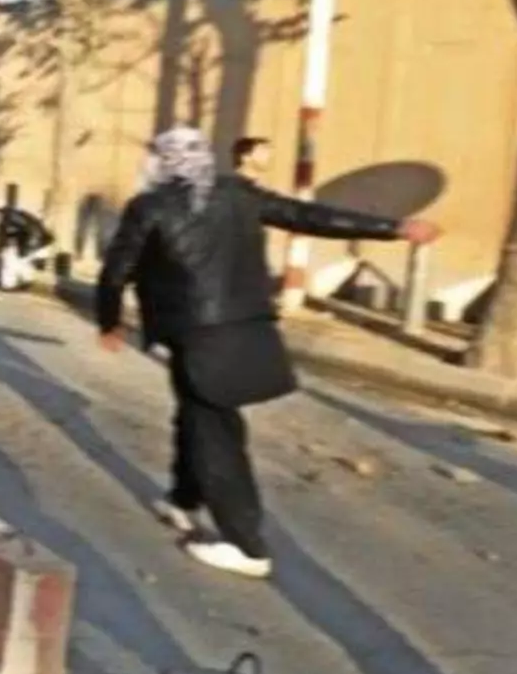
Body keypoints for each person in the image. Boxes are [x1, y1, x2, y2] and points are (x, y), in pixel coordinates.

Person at [96, 127, 441, 579]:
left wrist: (109, 321)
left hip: (198, 333)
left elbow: (116, 270)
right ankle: (184, 499)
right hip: (245, 324)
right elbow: (308, 216)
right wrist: (392, 228)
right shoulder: (239, 195)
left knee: (215, 434)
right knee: (199, 414)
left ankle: (246, 545)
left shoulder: (150, 207)